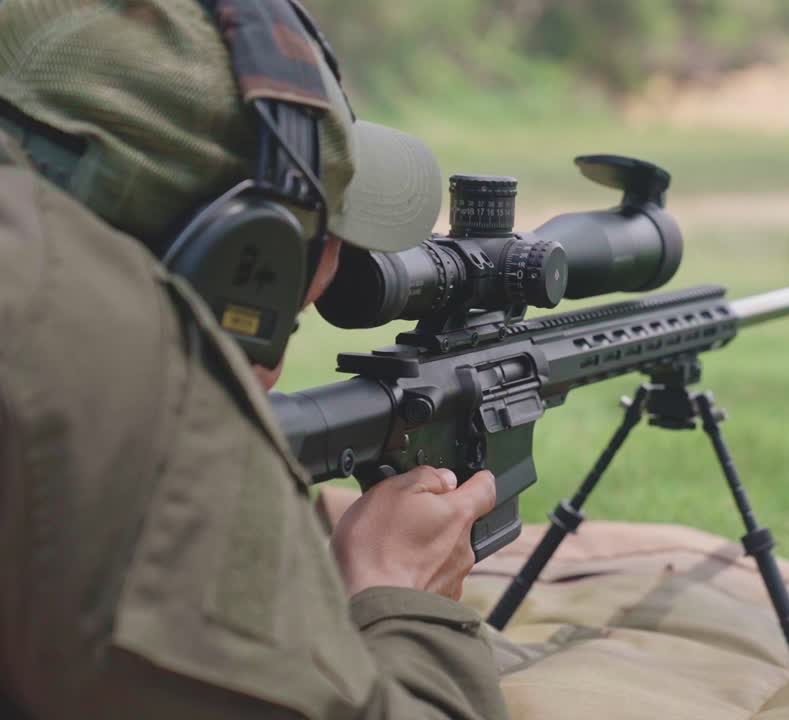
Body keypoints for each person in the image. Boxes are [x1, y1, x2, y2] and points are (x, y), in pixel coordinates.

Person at [0, 1, 508, 717]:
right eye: (323, 231)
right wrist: (401, 599)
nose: (330, 269)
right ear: (243, 263)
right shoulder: (105, 366)